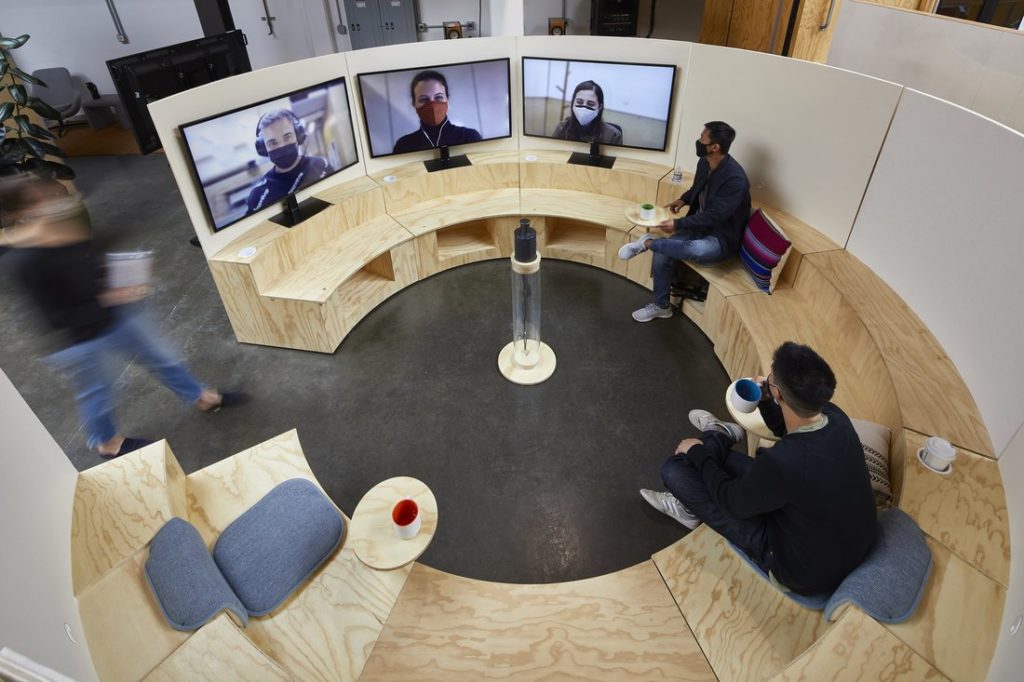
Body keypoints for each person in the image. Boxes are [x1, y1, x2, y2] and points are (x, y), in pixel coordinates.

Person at [0, 174, 246, 459]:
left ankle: (201, 398)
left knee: (161, 358)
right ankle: (106, 442)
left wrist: (122, 275)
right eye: (37, 201)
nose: (48, 203)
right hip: (80, 341)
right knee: (98, 392)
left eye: (44, 196)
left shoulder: (59, 228)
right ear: (17, 212)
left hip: (115, 315)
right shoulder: (21, 261)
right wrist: (109, 298)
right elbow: (55, 318)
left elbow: (89, 263)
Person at [639, 342, 877, 596]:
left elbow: (732, 502)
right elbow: (787, 430)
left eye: (771, 379)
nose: (766, 379)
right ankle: (718, 435)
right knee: (711, 465)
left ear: (780, 395)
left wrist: (696, 451)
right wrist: (766, 401)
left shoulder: (784, 461)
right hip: (840, 538)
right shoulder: (835, 417)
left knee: (675, 470)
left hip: (801, 571)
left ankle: (716, 437)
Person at [618, 121, 751, 322]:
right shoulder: (704, 162)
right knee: (663, 254)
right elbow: (697, 189)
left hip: (721, 236)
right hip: (698, 225)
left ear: (715, 147)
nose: (698, 140)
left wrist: (677, 224)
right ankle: (661, 306)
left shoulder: (736, 179)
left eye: (702, 138)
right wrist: (683, 200)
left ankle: (647, 243)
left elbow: (716, 215)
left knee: (697, 250)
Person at [246, 108, 332, 215]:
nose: (281, 146)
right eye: (273, 142)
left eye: (287, 137)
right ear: (264, 149)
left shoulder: (321, 165)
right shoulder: (257, 196)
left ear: (298, 136)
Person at [392, 70, 482, 153]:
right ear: (414, 105)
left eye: (438, 97)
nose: (432, 105)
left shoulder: (470, 137)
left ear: (448, 101)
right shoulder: (403, 145)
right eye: (424, 99)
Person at [552, 80, 623, 146]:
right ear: (573, 103)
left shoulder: (613, 135)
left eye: (590, 104)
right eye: (579, 102)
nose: (584, 107)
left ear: (600, 107)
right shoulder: (562, 128)